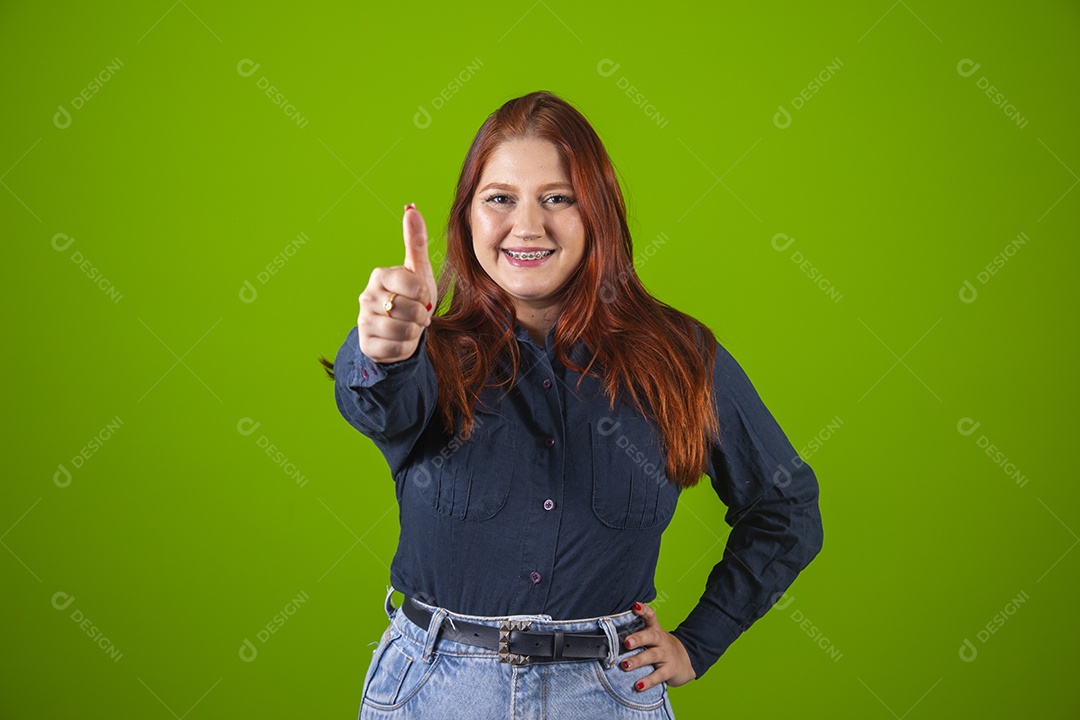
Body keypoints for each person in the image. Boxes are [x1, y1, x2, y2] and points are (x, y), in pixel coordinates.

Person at [319, 90, 823, 719]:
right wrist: (385, 351)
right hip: (432, 693)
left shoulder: (681, 356)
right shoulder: (426, 354)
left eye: (558, 198)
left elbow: (785, 508)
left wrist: (699, 642)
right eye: (500, 198)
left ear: (599, 215)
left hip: (608, 698)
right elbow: (378, 400)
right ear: (467, 218)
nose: (527, 226)